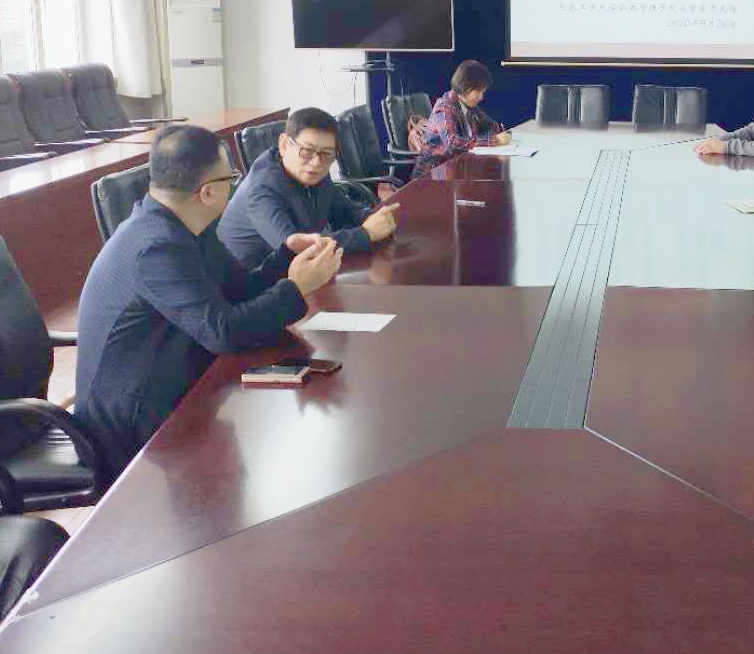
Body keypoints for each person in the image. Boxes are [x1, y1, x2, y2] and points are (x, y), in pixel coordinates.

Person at [76, 125, 342, 473]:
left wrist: (286, 256)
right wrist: (295, 288)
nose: (233, 185)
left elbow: (238, 289)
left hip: (174, 383)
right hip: (131, 426)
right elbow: (223, 332)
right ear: (207, 192)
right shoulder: (156, 247)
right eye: (230, 177)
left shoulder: (187, 226)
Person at [218, 106, 399, 271]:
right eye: (306, 151)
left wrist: (374, 218)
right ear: (284, 145)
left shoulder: (315, 171)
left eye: (327, 154)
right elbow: (297, 250)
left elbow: (344, 212)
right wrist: (366, 234)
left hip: (297, 275)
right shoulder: (262, 189)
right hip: (254, 282)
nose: (316, 162)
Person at [413, 59, 512, 178]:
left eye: (483, 92)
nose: (481, 97)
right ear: (465, 86)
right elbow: (453, 144)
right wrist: (494, 140)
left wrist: (498, 135)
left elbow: (492, 126)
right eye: (478, 91)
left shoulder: (470, 106)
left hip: (457, 169)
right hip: (433, 175)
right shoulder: (444, 107)